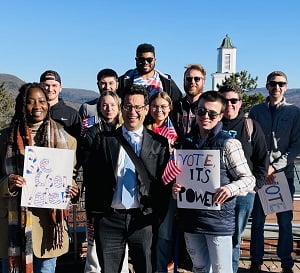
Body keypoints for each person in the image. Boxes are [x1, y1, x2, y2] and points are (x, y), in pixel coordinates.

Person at [84, 84, 170, 273]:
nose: (133, 112)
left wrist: (157, 216)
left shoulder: (159, 144)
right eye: (128, 106)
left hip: (143, 220)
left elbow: (163, 185)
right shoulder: (104, 139)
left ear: (146, 109)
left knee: (145, 268)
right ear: (122, 108)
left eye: (138, 107)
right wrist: (93, 215)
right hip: (109, 219)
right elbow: (92, 179)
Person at [172, 91, 255, 273]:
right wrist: (176, 188)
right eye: (201, 111)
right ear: (196, 111)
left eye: (212, 113)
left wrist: (230, 188)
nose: (206, 116)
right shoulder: (186, 144)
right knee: (199, 267)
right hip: (191, 220)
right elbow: (180, 178)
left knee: (221, 269)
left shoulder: (229, 144)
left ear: (221, 116)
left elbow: (249, 179)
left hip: (218, 222)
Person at [0, 82, 79, 273]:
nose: (37, 106)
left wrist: (72, 189)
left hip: (48, 228)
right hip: (14, 226)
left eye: (42, 101)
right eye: (31, 102)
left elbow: (69, 175)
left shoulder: (66, 140)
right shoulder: (4, 139)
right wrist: (8, 184)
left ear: (48, 104)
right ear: (22, 105)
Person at [248, 71, 300, 273]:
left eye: (281, 84)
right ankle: (256, 261)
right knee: (258, 221)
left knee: (285, 223)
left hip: (283, 176)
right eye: (272, 83)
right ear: (267, 86)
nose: (276, 87)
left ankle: (286, 263)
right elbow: (250, 142)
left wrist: (275, 166)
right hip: (260, 176)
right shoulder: (255, 111)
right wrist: (260, 169)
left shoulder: (294, 113)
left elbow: (296, 146)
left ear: (286, 87)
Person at [218, 84, 269, 273]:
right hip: (217, 192)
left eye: (233, 100)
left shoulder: (250, 127)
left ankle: (230, 269)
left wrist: (256, 186)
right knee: (216, 235)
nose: (229, 104)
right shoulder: (213, 123)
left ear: (240, 103)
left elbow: (262, 159)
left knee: (235, 237)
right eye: (224, 100)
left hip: (243, 193)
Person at [83, 91, 128, 273]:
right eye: (104, 105)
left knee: (121, 243)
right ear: (99, 108)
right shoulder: (92, 131)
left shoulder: (126, 131)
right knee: (94, 243)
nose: (108, 109)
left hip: (122, 197)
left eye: (112, 105)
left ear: (118, 107)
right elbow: (88, 163)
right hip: (98, 196)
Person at [145, 92, 178, 273]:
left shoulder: (175, 133)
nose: (159, 110)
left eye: (163, 106)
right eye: (155, 106)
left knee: (164, 234)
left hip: (168, 190)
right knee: (147, 234)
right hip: (146, 190)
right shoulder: (143, 129)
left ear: (169, 108)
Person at [118, 43, 182, 103]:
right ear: (136, 60)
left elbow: (177, 103)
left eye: (149, 59)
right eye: (141, 59)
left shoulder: (166, 81)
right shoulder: (123, 81)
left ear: (155, 60)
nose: (145, 62)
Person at [40, 70, 82, 141]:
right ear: (40, 87)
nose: (50, 89)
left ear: (60, 88)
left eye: (54, 85)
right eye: (46, 85)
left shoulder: (72, 114)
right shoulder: (32, 111)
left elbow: (79, 142)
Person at [172, 64, 206, 140]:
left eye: (197, 79)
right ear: (184, 81)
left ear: (203, 82)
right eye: (189, 79)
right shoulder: (175, 107)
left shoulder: (209, 107)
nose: (192, 82)